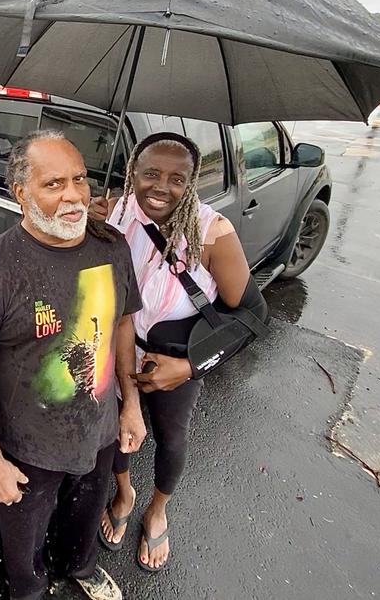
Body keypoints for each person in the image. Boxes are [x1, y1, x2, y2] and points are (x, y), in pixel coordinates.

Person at [0, 129, 147, 600]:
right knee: (24, 546)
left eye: (80, 179)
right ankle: (30, 591)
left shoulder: (112, 245)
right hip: (27, 448)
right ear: (21, 193)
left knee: (84, 519)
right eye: (54, 184)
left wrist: (130, 403)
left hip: (97, 430)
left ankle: (80, 567)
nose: (75, 196)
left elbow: (122, 324)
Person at [90, 131, 261, 572]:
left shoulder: (212, 232)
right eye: (150, 174)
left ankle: (157, 508)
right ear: (132, 174)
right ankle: (124, 491)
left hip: (172, 359)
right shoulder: (117, 211)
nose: (161, 187)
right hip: (117, 348)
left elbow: (253, 315)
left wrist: (187, 367)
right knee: (114, 429)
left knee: (171, 437)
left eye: (177, 178)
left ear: (193, 182)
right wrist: (88, 220)